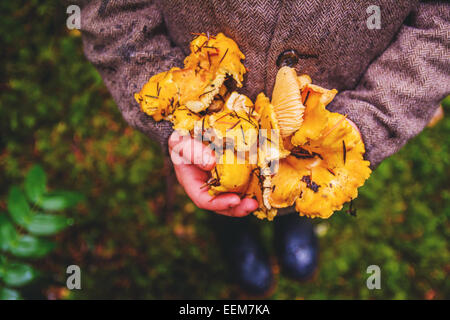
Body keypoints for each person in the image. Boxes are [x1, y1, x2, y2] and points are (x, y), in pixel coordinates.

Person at [75, 0, 449, 296]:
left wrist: (369, 119)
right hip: (207, 136)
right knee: (223, 192)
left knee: (308, 188)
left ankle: (296, 222)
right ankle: (234, 232)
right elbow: (111, 13)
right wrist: (175, 114)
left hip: (327, 125)